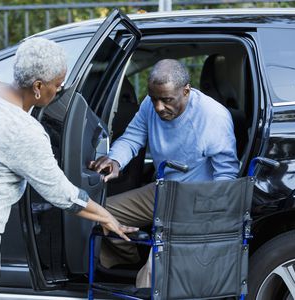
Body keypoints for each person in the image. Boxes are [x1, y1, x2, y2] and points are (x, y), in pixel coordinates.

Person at [0, 37, 137, 300]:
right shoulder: (24, 131)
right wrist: (107, 217)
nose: (59, 92)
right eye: (58, 85)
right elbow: (61, 194)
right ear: (38, 86)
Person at [89, 59, 239, 287]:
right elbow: (133, 137)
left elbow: (226, 175)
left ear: (186, 91)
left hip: (196, 200)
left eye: (167, 100)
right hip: (163, 189)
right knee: (100, 213)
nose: (158, 107)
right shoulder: (150, 106)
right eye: (154, 98)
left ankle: (147, 273)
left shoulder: (213, 117)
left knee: (154, 274)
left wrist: (211, 220)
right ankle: (129, 261)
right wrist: (116, 160)